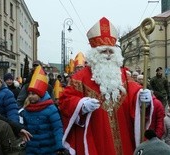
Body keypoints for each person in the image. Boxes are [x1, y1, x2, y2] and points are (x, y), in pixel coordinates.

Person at [58, 17, 160, 155]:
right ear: (94, 54)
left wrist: (144, 98)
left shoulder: (124, 74)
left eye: (110, 51)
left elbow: (135, 92)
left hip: (125, 135)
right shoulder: (79, 78)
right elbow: (65, 101)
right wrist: (81, 105)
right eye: (103, 51)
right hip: (96, 135)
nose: (107, 55)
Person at [20, 65, 65, 155]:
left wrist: (59, 145)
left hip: (49, 149)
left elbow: (57, 128)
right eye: (29, 93)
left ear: (40, 94)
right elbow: (25, 127)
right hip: (32, 148)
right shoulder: (26, 109)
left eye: (34, 94)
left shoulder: (51, 109)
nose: (30, 96)